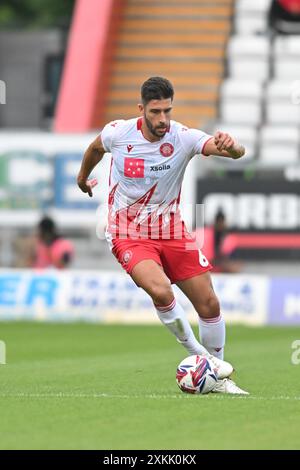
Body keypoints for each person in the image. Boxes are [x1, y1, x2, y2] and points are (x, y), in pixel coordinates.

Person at [77, 77, 248, 394]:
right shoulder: (119, 132)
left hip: (171, 229)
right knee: (161, 291)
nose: (162, 119)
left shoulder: (182, 137)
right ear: (141, 109)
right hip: (128, 230)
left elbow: (230, 151)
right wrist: (82, 178)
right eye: (156, 112)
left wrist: (233, 147)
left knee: (209, 303)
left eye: (167, 111)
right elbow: (94, 148)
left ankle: (217, 378)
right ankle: (205, 362)